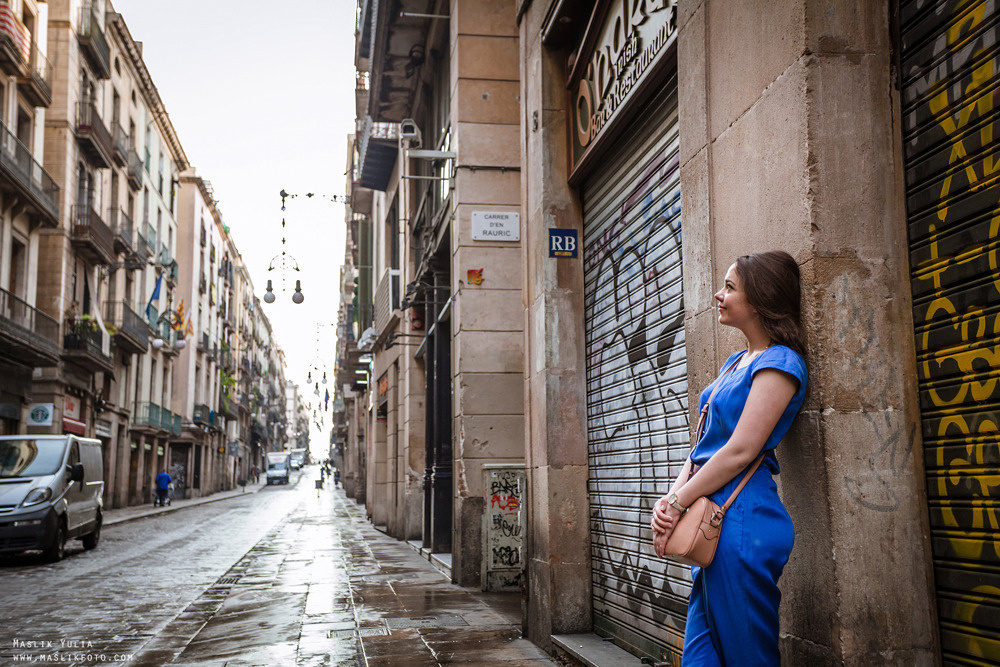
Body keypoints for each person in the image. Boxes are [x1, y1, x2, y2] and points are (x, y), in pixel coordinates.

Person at [651, 250, 807, 665]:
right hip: (710, 513)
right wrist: (669, 502)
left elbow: (739, 451)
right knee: (699, 657)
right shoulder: (736, 362)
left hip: (741, 520)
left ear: (758, 299)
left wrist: (681, 501)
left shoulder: (781, 364)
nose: (718, 295)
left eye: (730, 288)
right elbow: (702, 442)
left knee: (746, 656)